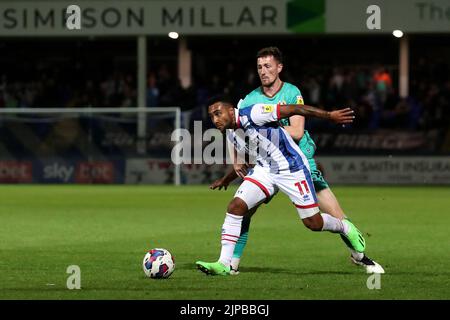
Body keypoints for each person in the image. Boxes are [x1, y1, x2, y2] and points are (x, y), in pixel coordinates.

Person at [211, 47, 384, 274]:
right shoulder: (250, 100)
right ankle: (230, 263)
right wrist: (237, 161)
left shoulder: (292, 92)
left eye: (268, 66)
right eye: (260, 67)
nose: (263, 71)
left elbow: (297, 131)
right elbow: (237, 131)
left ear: (279, 67)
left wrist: (268, 129)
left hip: (298, 161)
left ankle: (360, 257)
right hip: (267, 164)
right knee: (243, 210)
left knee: (333, 214)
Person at [196, 96, 370, 276]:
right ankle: (224, 263)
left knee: (313, 223)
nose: (215, 120)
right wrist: (227, 179)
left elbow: (294, 109)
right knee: (236, 206)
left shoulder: (254, 113)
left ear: (231, 111)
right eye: (211, 116)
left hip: (292, 168)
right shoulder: (232, 133)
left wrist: (329, 115)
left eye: (218, 114)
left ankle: (345, 228)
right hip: (265, 170)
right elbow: (249, 158)